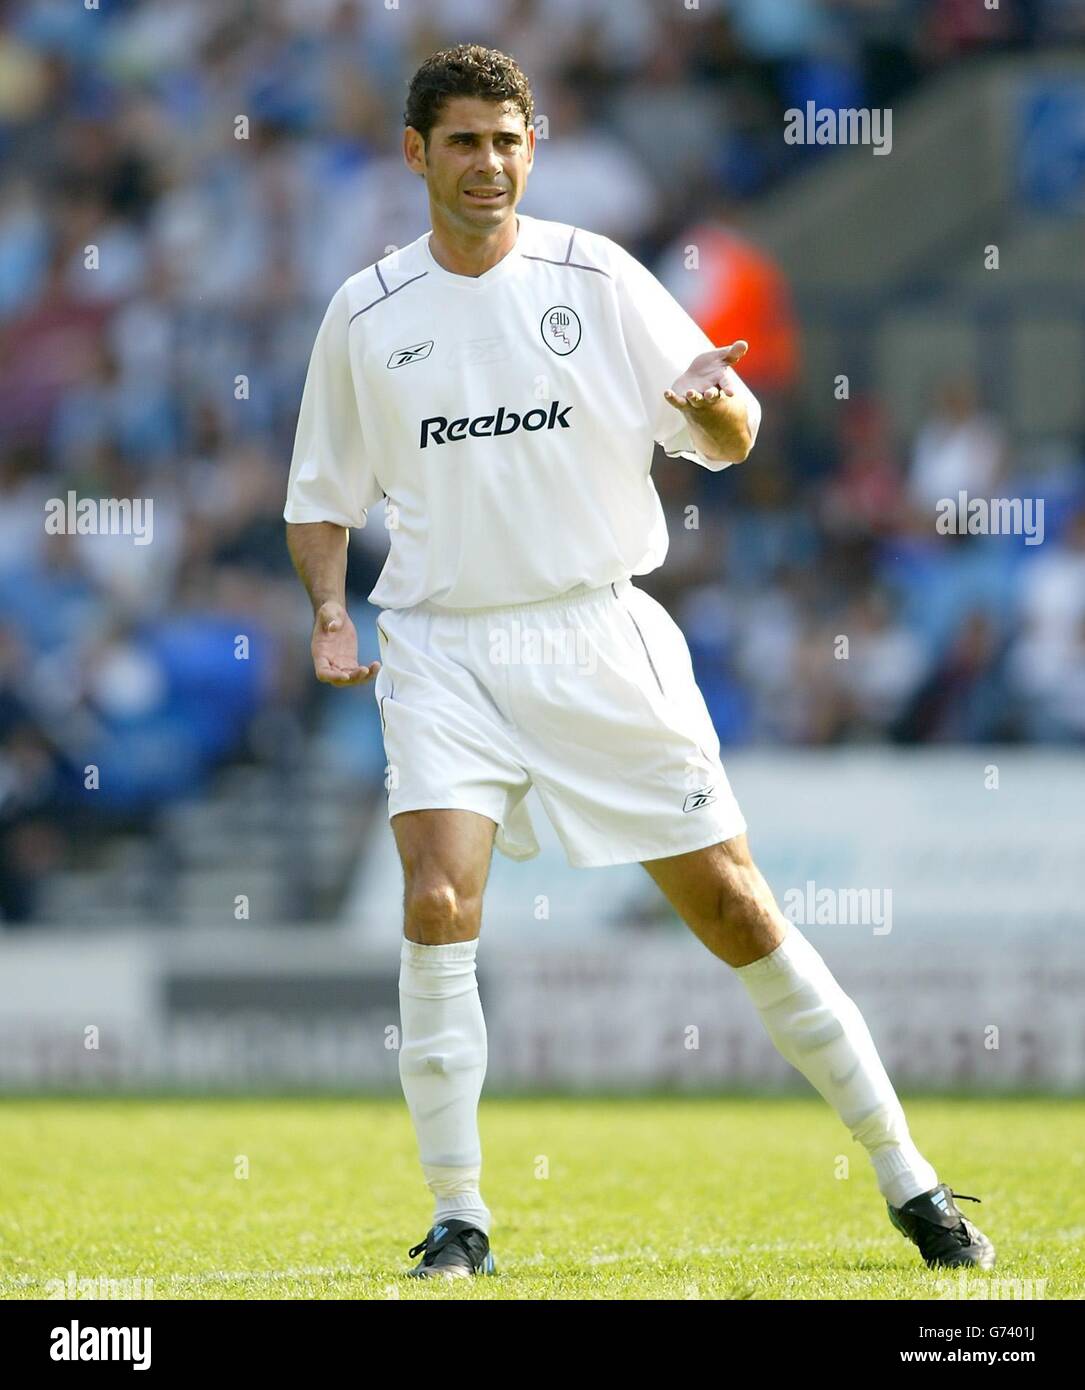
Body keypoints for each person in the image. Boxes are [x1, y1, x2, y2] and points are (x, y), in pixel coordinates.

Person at [283, 43, 993, 1281]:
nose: (488, 163)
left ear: (532, 147)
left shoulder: (597, 275)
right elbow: (318, 493)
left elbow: (721, 424)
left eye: (507, 140)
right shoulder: (365, 313)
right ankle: (459, 1214)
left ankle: (910, 1180)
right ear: (415, 154)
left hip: (596, 632)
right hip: (443, 644)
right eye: (462, 141)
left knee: (734, 909)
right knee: (436, 904)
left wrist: (719, 410)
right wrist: (330, 610)